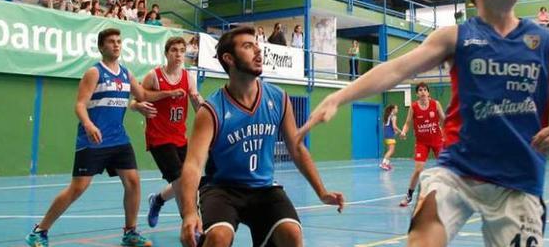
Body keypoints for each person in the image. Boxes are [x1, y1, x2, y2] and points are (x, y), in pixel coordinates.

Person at [295, 0, 549, 246]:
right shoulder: (456, 37)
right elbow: (396, 69)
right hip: (457, 172)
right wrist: (337, 97)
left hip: (519, 181)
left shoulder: (544, 41)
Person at [177, 26, 344, 247]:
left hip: (264, 188)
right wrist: (189, 213)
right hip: (222, 189)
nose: (258, 51)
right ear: (229, 59)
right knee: (218, 237)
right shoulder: (211, 110)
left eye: (257, 44)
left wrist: (322, 192)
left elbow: (296, 148)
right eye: (248, 46)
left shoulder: (278, 98)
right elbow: (193, 165)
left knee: (291, 233)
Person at [24, 29, 165, 247]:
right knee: (78, 187)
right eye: (111, 42)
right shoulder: (94, 72)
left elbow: (143, 95)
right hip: (93, 140)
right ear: (101, 47)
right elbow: (80, 104)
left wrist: (169, 93)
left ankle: (130, 233)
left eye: (119, 41)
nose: (117, 45)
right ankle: (39, 231)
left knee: (133, 182)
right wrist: (89, 124)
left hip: (119, 139)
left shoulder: (126, 74)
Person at [139, 37, 204, 228]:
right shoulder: (154, 76)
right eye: (174, 50)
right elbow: (137, 99)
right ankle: (192, 224)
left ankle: (158, 200)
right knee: (180, 180)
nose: (178, 54)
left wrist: (199, 102)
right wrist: (139, 106)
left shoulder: (188, 78)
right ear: (166, 53)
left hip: (179, 137)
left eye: (182, 50)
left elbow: (197, 105)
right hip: (158, 137)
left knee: (191, 178)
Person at [397, 83, 444, 207]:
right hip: (422, 142)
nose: (423, 92)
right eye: (420, 90)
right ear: (417, 94)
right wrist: (403, 131)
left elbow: (444, 120)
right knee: (418, 170)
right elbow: (407, 123)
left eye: (425, 90)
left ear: (428, 93)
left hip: (437, 140)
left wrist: (449, 133)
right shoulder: (413, 107)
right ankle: (409, 196)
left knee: (446, 168)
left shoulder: (436, 104)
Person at [380, 104, 400, 171]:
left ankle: (387, 164)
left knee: (390, 150)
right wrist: (401, 132)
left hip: (386, 135)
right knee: (391, 150)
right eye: (396, 108)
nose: (397, 110)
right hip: (389, 135)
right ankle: (383, 163)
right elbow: (394, 126)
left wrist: (393, 132)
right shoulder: (393, 116)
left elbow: (384, 126)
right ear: (393, 109)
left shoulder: (387, 116)